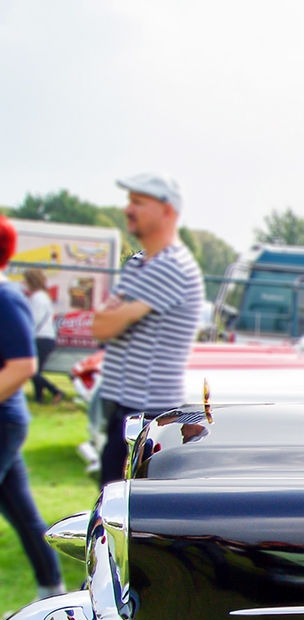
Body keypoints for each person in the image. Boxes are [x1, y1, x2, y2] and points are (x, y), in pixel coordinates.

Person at [91, 173, 203, 487]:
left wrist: (119, 313)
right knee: (113, 484)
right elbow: (101, 323)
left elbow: (108, 322)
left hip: (152, 406)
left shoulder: (170, 266)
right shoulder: (142, 265)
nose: (130, 210)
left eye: (139, 203)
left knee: (131, 494)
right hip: (129, 400)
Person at [0, 216, 66, 599]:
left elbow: (24, 366)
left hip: (3, 422)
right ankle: (52, 593)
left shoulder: (7, 299)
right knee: (24, 517)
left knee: (23, 515)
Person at [23, 269, 65, 403]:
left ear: (31, 282)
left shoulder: (38, 298)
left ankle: (56, 391)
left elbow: (34, 320)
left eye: (25, 281)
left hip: (41, 338)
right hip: (44, 338)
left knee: (31, 371)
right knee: (36, 371)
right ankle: (39, 399)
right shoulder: (40, 296)